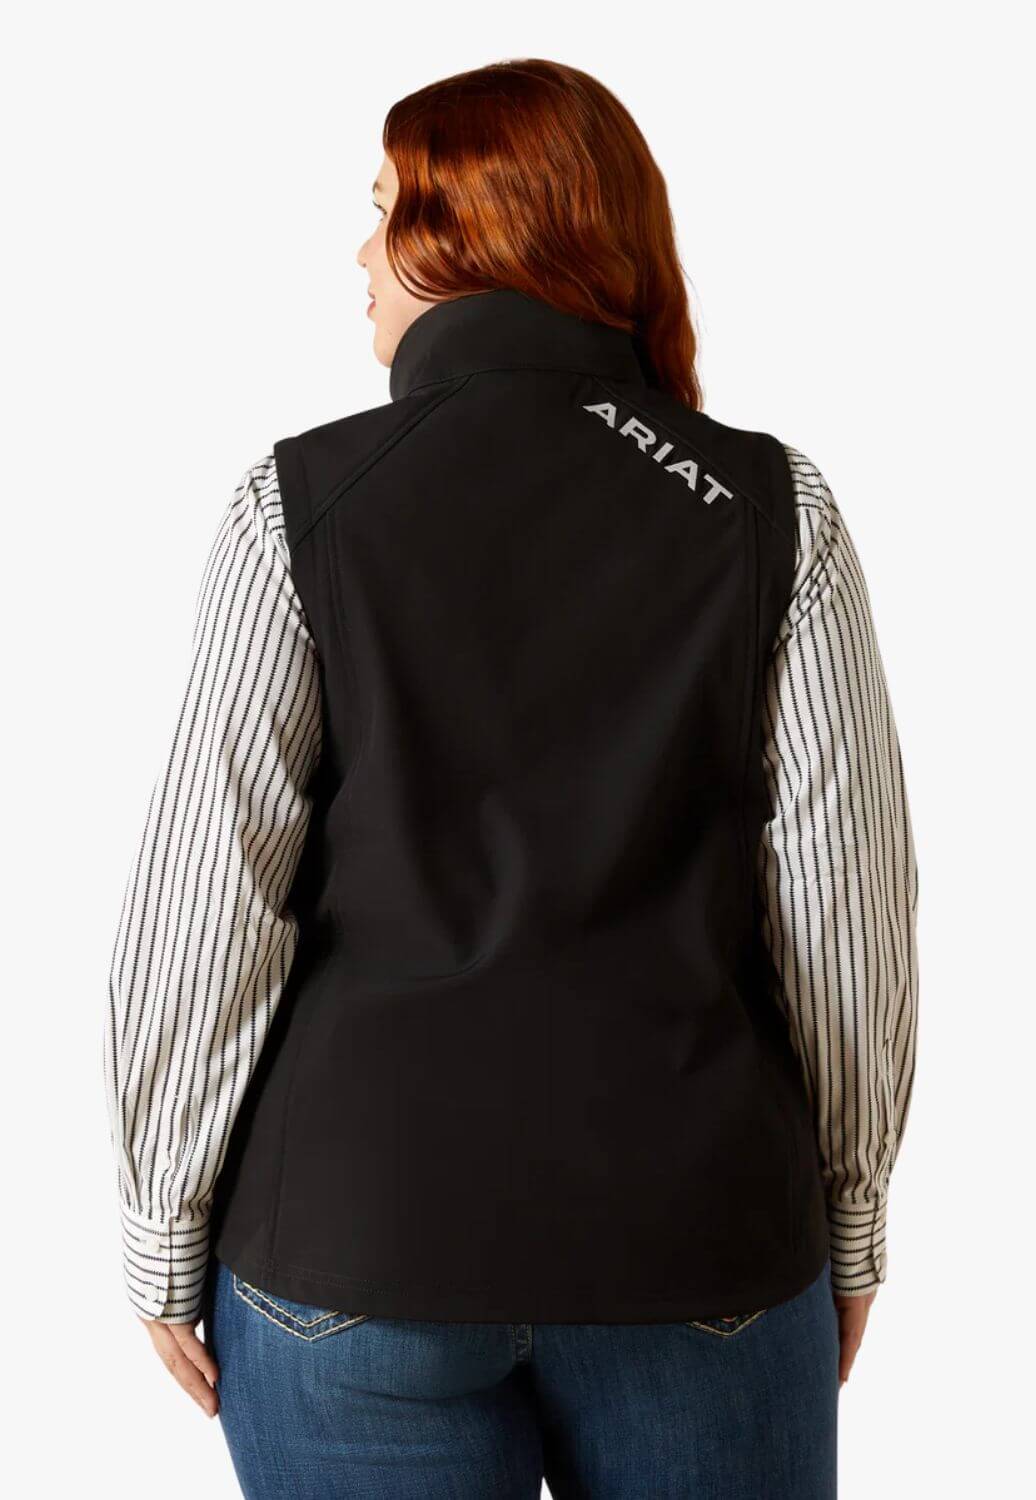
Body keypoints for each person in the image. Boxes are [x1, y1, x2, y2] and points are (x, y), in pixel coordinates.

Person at [103, 57, 918, 1500]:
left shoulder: (298, 507)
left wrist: (163, 1224)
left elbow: (206, 909)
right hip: (701, 1245)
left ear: (470, 234)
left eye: (384, 211)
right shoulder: (768, 509)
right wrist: (850, 1218)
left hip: (355, 1243)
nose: (359, 253)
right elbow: (846, 920)